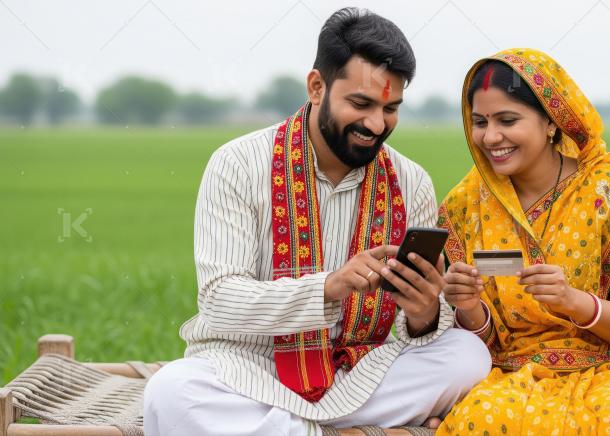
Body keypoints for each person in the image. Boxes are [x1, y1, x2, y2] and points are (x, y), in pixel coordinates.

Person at [143, 8, 490, 435]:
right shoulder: (237, 163)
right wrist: (328, 287)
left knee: (467, 357)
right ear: (316, 87)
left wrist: (422, 313)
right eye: (360, 104)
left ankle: (287, 429)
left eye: (391, 108)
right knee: (173, 391)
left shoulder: (410, 180)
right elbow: (219, 301)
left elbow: (414, 332)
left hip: (358, 372)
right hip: (252, 371)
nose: (376, 124)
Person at [437, 48, 610, 435]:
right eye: (479, 122)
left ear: (551, 123)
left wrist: (574, 302)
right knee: (481, 421)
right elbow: (484, 344)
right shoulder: (463, 206)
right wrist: (469, 307)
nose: (490, 137)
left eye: (508, 120)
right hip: (513, 373)